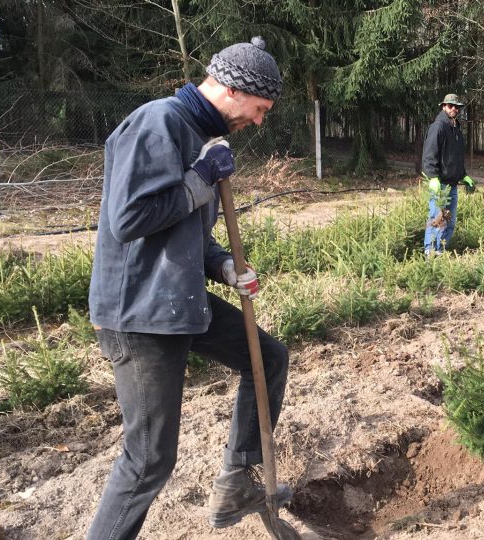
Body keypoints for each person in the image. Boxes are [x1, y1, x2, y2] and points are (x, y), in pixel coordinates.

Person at [87, 37, 291, 540]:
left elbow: (185, 237)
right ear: (231, 89)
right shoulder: (158, 122)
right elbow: (130, 218)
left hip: (177, 302)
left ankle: (237, 479)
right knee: (148, 461)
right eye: (259, 109)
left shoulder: (201, 136)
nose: (259, 122)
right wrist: (200, 178)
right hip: (139, 313)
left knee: (266, 357)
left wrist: (224, 266)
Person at [422, 93, 476, 255]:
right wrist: (432, 177)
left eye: (457, 106)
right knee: (437, 219)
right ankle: (430, 252)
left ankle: (440, 251)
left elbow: (455, 158)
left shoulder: (456, 129)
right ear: (443, 106)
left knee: (449, 222)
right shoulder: (438, 127)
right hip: (441, 184)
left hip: (452, 185)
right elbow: (429, 154)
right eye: (451, 106)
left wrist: (463, 175)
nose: (454, 109)